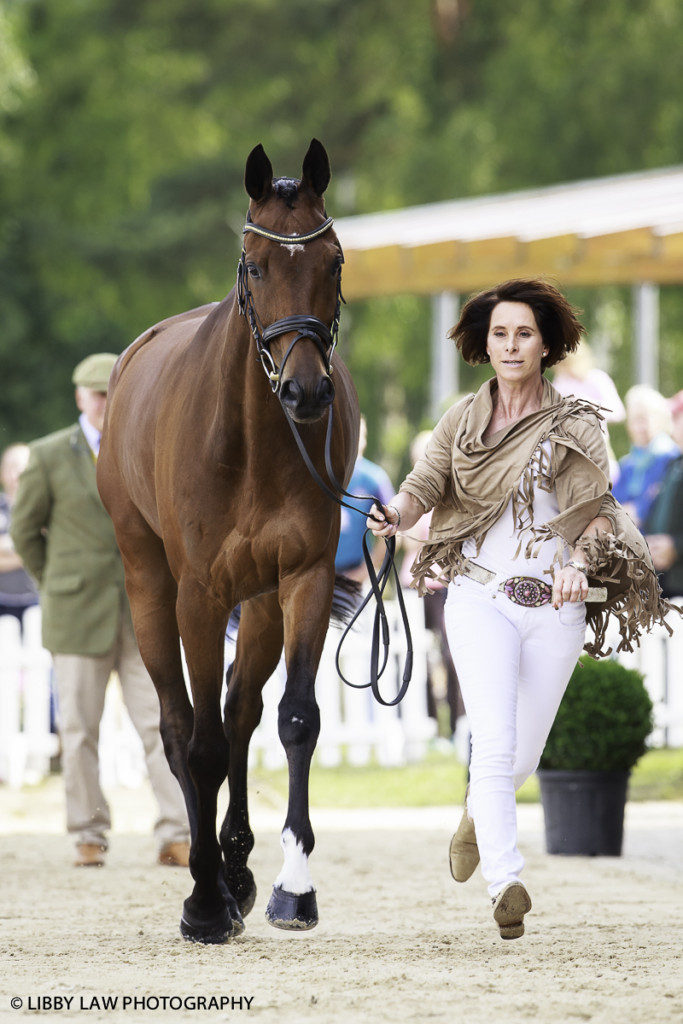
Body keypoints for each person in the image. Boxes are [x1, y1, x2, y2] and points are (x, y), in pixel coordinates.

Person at [367, 279, 673, 940]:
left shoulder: (574, 424)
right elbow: (424, 485)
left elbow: (594, 515)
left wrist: (576, 568)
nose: (510, 345)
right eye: (499, 333)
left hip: (554, 604)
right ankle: (505, 881)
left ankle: (479, 815)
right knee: (494, 738)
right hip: (477, 598)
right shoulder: (461, 419)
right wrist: (396, 514)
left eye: (523, 334)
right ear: (484, 342)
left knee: (520, 760)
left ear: (545, 345)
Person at [11, 353, 190, 868]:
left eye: (112, 393)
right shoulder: (47, 456)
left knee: (162, 725)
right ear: (79, 398)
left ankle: (177, 831)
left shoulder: (151, 447)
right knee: (78, 730)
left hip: (145, 611)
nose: (106, 403)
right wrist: (55, 582)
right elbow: (25, 532)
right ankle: (88, 832)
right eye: (97, 394)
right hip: (76, 612)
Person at [335, 415, 394, 584]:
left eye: (355, 433)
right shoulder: (323, 475)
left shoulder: (374, 478)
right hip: (323, 574)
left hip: (357, 576)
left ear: (363, 439)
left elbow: (394, 530)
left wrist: (365, 571)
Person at [613, 385, 679, 526]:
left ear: (660, 419)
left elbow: (663, 503)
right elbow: (613, 504)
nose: (639, 427)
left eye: (644, 419)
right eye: (634, 420)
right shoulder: (627, 464)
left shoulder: (671, 458)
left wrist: (637, 510)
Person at [643, 391, 683, 599]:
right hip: (665, 582)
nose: (672, 423)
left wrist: (676, 547)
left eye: (677, 416)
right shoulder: (673, 463)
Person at [0, 444, 39, 623]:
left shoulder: (42, 508)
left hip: (38, 602)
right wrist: (28, 549)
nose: (19, 474)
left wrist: (8, 546)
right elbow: (39, 549)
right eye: (13, 467)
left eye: (25, 467)